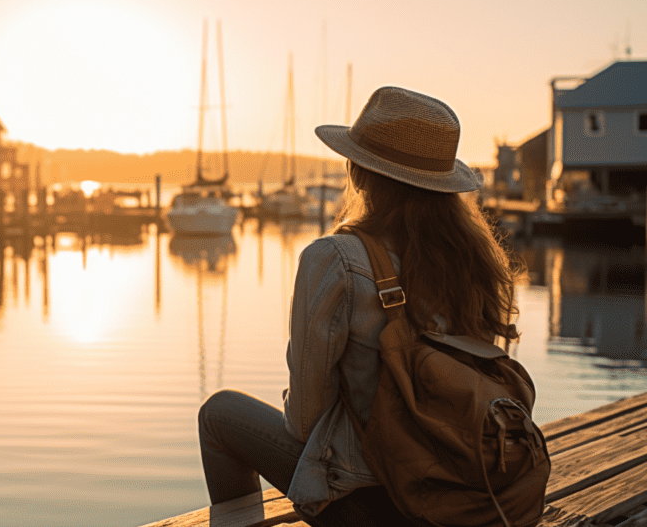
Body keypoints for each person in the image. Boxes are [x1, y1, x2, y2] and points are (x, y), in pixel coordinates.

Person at [198, 86, 522, 526]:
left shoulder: (335, 260)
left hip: (371, 506)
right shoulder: (477, 264)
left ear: (360, 172)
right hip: (462, 492)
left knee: (219, 414)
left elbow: (305, 420)